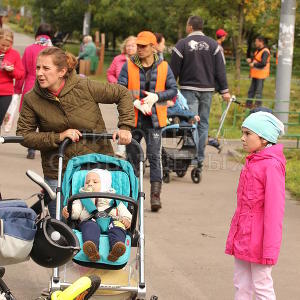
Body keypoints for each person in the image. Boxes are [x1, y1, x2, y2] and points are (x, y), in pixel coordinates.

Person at [16, 47, 134, 217]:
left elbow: (122, 94)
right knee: (62, 221)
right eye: (38, 68)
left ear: (62, 71)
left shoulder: (84, 86)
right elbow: (24, 135)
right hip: (57, 169)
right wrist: (59, 137)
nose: (40, 73)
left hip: (96, 165)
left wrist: (125, 127)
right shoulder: (31, 99)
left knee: (100, 218)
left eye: (46, 68)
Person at [225, 111, 286, 299]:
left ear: (265, 138)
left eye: (247, 134)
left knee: (262, 286)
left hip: (261, 241)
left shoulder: (271, 166)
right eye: (242, 133)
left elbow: (274, 211)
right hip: (244, 237)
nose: (242, 138)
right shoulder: (252, 162)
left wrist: (269, 247)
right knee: (241, 284)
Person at [118, 31, 177, 212]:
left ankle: (155, 197)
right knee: (133, 158)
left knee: (154, 157)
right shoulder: (129, 66)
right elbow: (120, 88)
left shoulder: (165, 67)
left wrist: (156, 97)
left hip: (154, 120)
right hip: (133, 118)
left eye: (144, 46)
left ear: (153, 47)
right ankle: (133, 197)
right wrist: (134, 100)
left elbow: (173, 89)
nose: (140, 49)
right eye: (138, 46)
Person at [170, 16, 230, 172]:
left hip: (188, 89)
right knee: (203, 124)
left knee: (191, 122)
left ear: (189, 27)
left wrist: (169, 89)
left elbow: (173, 70)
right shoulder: (213, 45)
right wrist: (225, 91)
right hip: (208, 90)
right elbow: (220, 70)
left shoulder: (182, 45)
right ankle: (199, 160)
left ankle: (190, 156)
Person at [62, 169, 131, 262]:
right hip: (90, 220)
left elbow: (124, 212)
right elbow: (76, 211)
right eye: (87, 182)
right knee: (90, 227)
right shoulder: (82, 198)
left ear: (105, 184)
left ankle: (116, 248)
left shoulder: (115, 200)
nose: (90, 184)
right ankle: (92, 250)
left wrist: (126, 220)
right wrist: (69, 211)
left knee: (118, 227)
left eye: (95, 182)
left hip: (112, 221)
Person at [15, 23, 53, 159]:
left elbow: (23, 70)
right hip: (48, 86)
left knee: (30, 119)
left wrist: (18, 89)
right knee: (46, 119)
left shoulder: (29, 49)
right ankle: (46, 149)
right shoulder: (53, 51)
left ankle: (31, 149)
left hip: (31, 85)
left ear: (37, 34)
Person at [107, 36, 137, 158]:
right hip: (122, 94)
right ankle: (120, 149)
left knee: (135, 123)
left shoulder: (139, 61)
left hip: (136, 94)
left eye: (132, 46)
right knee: (123, 120)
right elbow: (110, 73)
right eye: (128, 46)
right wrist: (117, 84)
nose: (130, 48)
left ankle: (132, 149)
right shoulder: (118, 59)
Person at [0, 29, 24, 127]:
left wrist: (11, 71)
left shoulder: (15, 54)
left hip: (6, 93)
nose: (5, 48)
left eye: (8, 46)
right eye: (2, 45)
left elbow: (21, 75)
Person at [246, 36, 270, 108]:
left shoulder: (265, 51)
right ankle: (248, 106)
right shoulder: (258, 51)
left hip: (261, 75)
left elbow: (263, 63)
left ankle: (258, 108)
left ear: (261, 42)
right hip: (255, 74)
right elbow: (256, 60)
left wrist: (254, 64)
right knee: (251, 91)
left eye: (256, 41)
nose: (255, 43)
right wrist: (251, 61)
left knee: (258, 93)